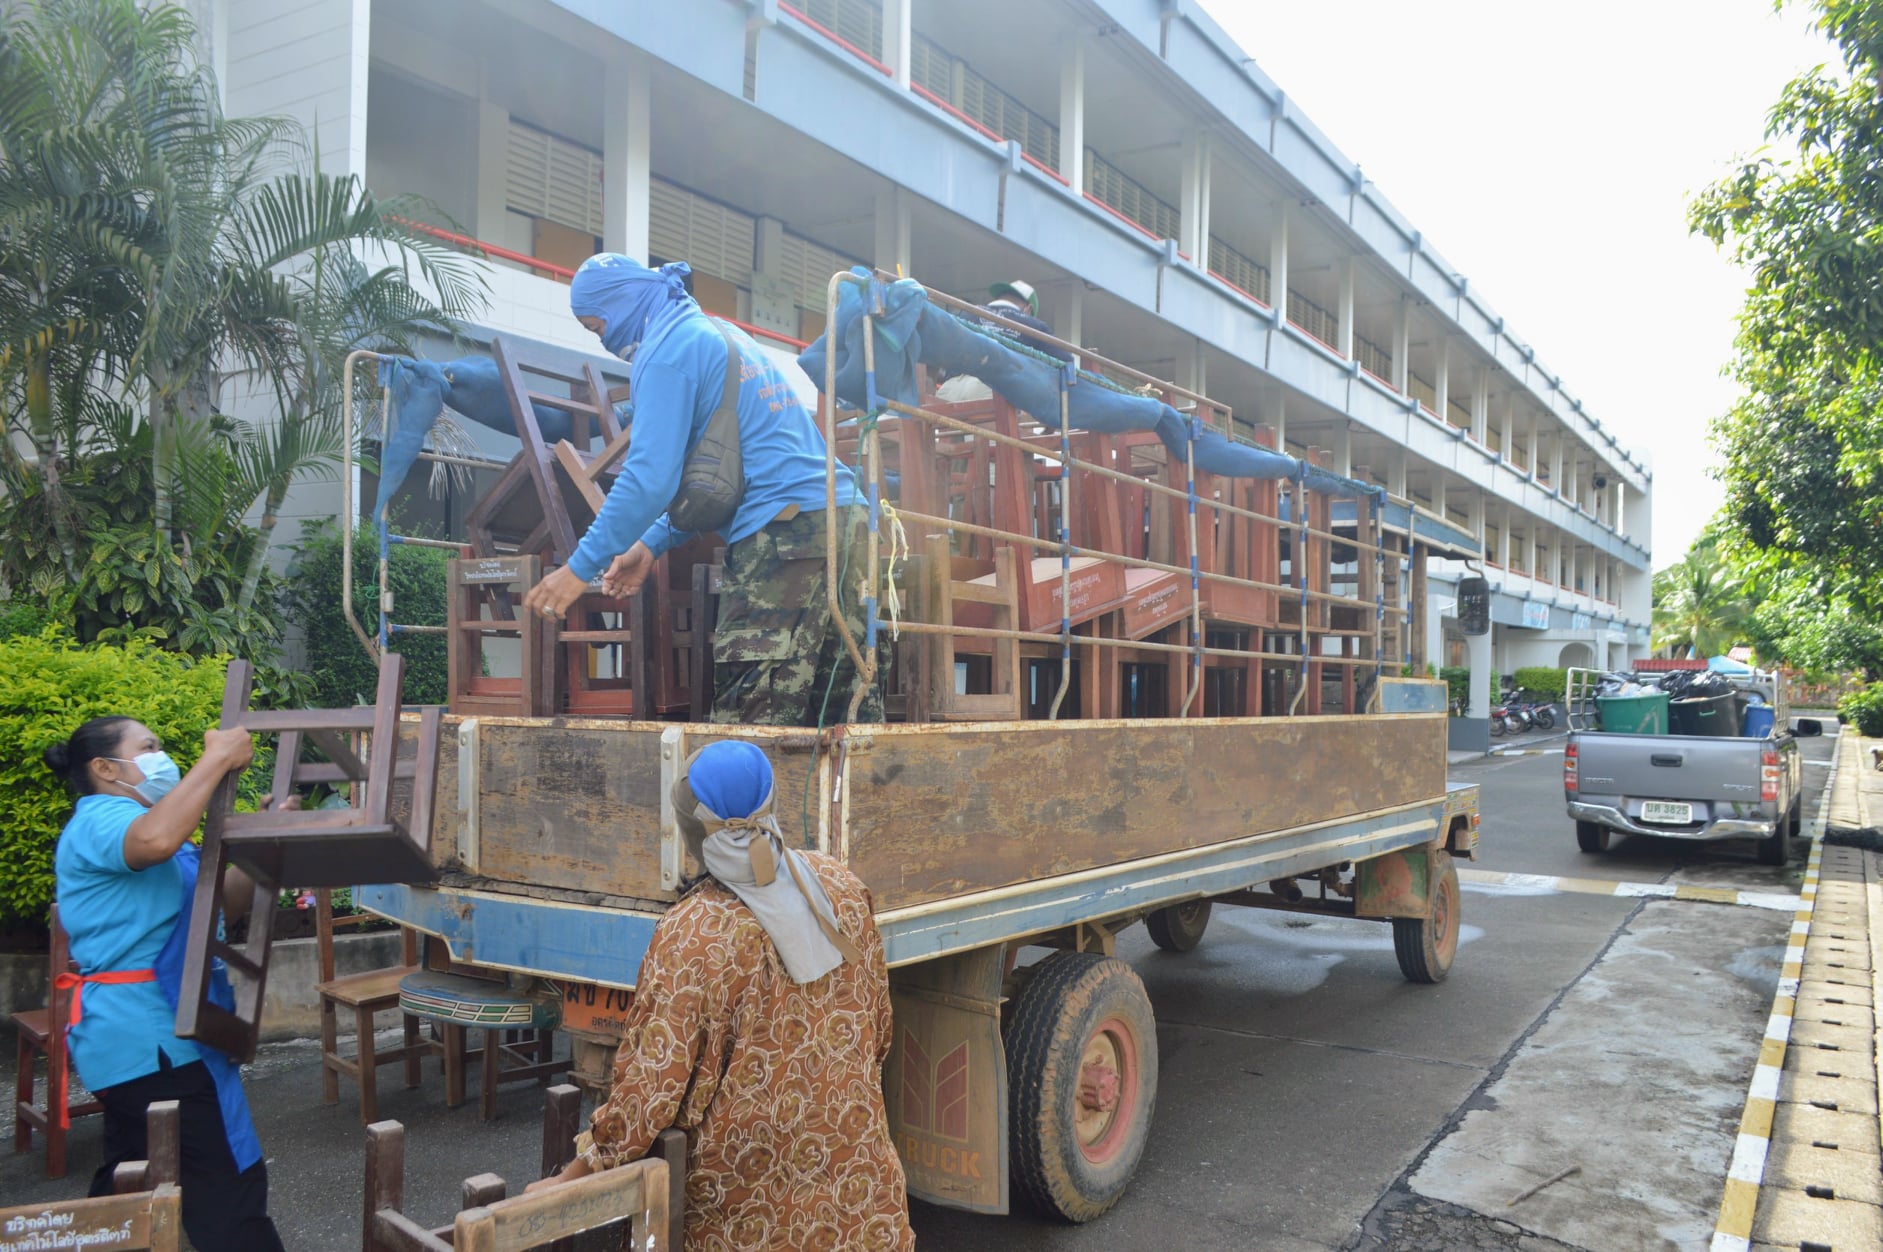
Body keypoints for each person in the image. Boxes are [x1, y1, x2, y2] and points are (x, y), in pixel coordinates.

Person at [526, 741, 914, 1251]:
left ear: (692, 830)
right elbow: (877, 1034)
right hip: (864, 1206)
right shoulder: (841, 888)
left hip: (743, 1217)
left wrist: (573, 1175)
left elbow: (647, 1096)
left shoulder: (693, 934)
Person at [521, 253, 883, 725]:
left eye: (597, 327)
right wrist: (650, 544)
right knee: (844, 720)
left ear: (620, 302)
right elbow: (726, 473)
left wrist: (577, 569)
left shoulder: (666, 350)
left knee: (750, 726)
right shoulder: (725, 335)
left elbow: (649, 479)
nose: (607, 342)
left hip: (787, 540)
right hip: (851, 527)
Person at [43, 716, 285, 1252]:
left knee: (129, 1183)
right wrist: (217, 759)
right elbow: (153, 841)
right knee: (226, 1192)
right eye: (148, 746)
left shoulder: (153, 826)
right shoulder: (103, 819)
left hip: (158, 1036)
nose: (161, 755)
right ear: (104, 768)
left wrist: (263, 842)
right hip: (153, 1038)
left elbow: (222, 904)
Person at [933, 277, 1075, 403]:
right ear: (1028, 309)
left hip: (948, 391)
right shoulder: (1033, 325)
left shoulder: (967, 313)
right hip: (990, 391)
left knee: (949, 432)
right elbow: (1066, 362)